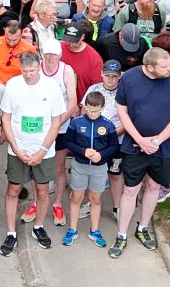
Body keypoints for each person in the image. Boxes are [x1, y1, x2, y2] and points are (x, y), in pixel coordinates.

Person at [108, 48, 170, 259]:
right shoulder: (129, 78)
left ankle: (143, 228)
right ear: (150, 67)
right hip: (134, 145)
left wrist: (157, 140)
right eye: (164, 66)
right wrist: (139, 139)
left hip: (162, 146)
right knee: (130, 189)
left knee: (154, 186)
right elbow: (122, 111)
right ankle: (121, 235)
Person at [0, 52, 64, 256]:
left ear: (39, 67)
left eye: (32, 71)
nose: (28, 75)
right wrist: (16, 148)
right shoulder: (12, 85)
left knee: (42, 191)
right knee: (13, 190)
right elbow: (6, 118)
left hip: (44, 150)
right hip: (18, 148)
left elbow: (56, 122)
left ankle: (38, 226)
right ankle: (11, 232)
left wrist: (42, 151)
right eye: (24, 71)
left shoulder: (52, 87)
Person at [60, 90, 120, 247]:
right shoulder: (76, 123)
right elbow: (68, 142)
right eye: (89, 110)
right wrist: (83, 151)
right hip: (80, 166)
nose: (93, 114)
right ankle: (72, 230)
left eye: (96, 111)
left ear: (102, 108)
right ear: (85, 106)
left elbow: (114, 146)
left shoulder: (108, 125)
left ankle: (94, 231)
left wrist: (101, 155)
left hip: (99, 168)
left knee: (96, 199)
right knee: (76, 197)